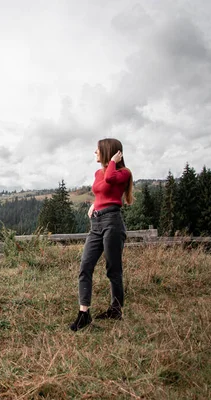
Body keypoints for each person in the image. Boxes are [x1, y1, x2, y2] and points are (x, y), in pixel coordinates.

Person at [70, 138, 134, 331]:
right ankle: (84, 314)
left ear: (109, 152)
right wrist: (94, 205)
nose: (94, 152)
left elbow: (110, 180)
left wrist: (113, 161)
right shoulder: (98, 172)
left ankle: (116, 310)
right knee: (85, 266)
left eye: (97, 150)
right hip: (96, 222)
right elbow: (101, 191)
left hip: (112, 223)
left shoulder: (123, 172)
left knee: (113, 269)